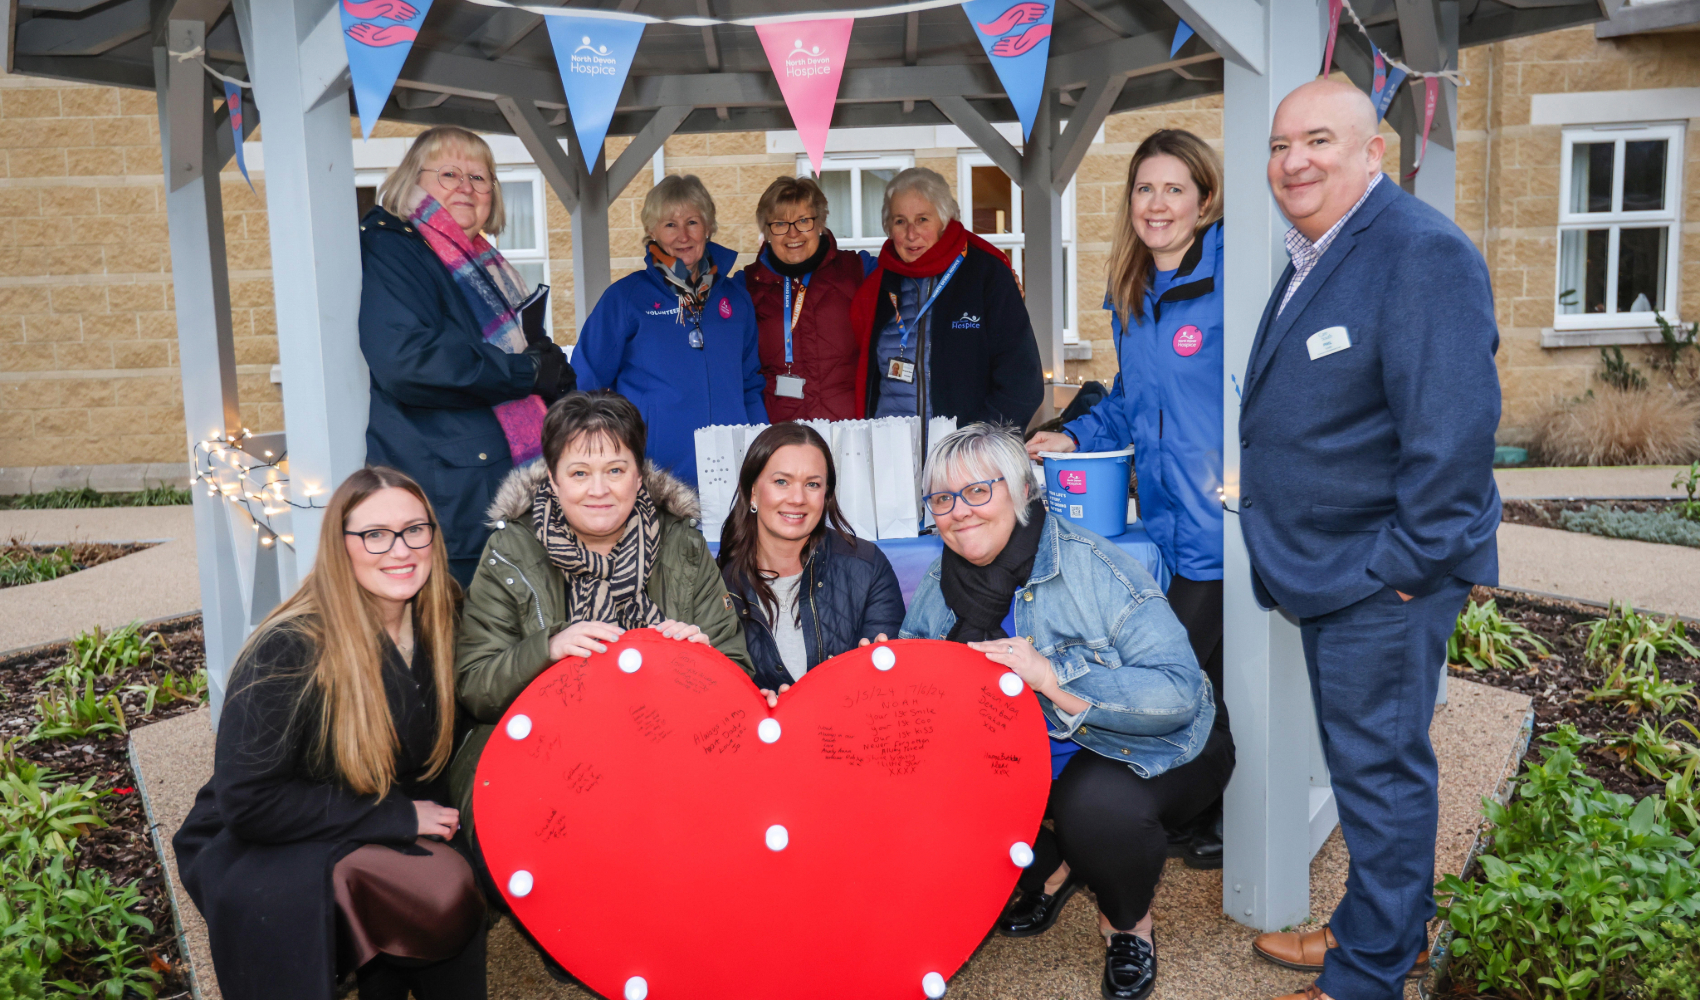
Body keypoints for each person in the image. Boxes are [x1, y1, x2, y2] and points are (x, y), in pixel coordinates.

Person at [1240, 80, 1501, 1000]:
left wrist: (1399, 571)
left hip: (1378, 576)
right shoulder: (1324, 247)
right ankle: (1380, 930)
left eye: (1318, 139)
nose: (1294, 161)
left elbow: (1455, 441)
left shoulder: (1420, 252)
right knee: (1366, 773)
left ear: (1373, 152)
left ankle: (1371, 974)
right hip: (1336, 569)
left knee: (1381, 782)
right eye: (1280, 145)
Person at [899, 424, 1229, 1000]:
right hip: (1028, 760)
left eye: (979, 491)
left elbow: (1178, 691)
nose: (960, 512)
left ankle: (1127, 924)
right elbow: (919, 702)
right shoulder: (940, 583)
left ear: (1024, 491)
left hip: (1152, 744)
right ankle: (1052, 866)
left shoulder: (1092, 565)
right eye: (943, 499)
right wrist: (888, 680)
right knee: (921, 791)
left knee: (1098, 810)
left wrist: (1053, 678)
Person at [174, 467, 486, 1000]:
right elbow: (248, 801)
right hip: (273, 834)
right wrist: (398, 817)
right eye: (375, 535)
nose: (400, 549)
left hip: (378, 801)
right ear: (341, 546)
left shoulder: (443, 613)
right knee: (439, 889)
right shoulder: (288, 648)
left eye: (415, 529)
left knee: (476, 876)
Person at [1027, 129, 1231, 869]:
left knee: (1187, 677)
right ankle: (1202, 810)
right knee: (1203, 676)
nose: (1157, 203)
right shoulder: (1133, 293)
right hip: (1171, 525)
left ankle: (1205, 810)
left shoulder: (1231, 274)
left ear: (1205, 199)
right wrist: (1074, 435)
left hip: (1227, 524)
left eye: (1175, 188)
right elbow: (1131, 403)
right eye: (1145, 189)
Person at [451, 391, 754, 865]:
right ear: (552, 479)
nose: (599, 490)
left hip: (661, 752)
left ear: (639, 475)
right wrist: (546, 650)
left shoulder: (682, 547)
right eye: (579, 473)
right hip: (541, 752)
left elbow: (739, 675)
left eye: (615, 470)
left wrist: (701, 664)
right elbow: (473, 684)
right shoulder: (510, 551)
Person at [359, 125, 573, 589]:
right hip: (447, 496)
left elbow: (518, 350)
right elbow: (408, 360)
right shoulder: (395, 248)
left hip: (501, 484)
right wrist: (527, 372)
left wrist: (553, 372)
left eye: (480, 179)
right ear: (413, 181)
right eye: (450, 173)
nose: (466, 188)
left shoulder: (484, 262)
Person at [571, 175, 766, 487]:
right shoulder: (626, 298)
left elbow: (750, 386)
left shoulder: (736, 299)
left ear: (709, 227)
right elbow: (584, 385)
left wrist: (765, 457)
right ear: (652, 231)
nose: (683, 236)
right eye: (670, 225)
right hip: (655, 477)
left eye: (692, 222)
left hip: (734, 472)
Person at [717, 421, 905, 697]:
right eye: (782, 481)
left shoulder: (867, 566)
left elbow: (892, 689)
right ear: (753, 491)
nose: (797, 498)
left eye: (812, 484)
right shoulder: (717, 581)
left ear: (826, 495)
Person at [850, 167, 1043, 431]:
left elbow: (1022, 384)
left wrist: (977, 443)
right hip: (891, 453)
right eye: (900, 221)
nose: (910, 234)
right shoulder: (877, 288)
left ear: (944, 220)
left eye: (922, 219)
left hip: (965, 457)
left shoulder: (986, 275)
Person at [738, 177, 874, 421]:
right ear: (767, 230)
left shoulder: (858, 270)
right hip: (781, 435)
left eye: (803, 221)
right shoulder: (746, 286)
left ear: (820, 223)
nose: (793, 234)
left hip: (850, 432)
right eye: (780, 223)